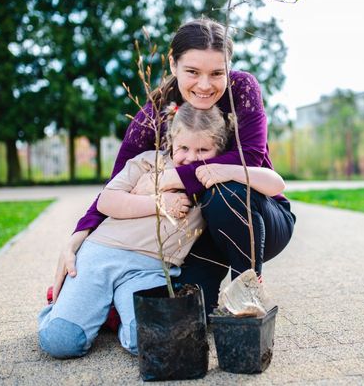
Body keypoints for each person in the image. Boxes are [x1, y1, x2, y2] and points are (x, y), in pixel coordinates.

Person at [51, 18, 296, 318]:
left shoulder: (241, 88)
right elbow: (118, 181)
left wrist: (170, 177)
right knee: (185, 314)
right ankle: (111, 303)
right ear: (172, 64)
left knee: (224, 192)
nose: (205, 85)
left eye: (216, 73)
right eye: (192, 71)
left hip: (254, 218)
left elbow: (251, 157)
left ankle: (247, 294)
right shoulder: (155, 112)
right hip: (195, 235)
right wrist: (79, 236)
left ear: (228, 67)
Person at [38, 102, 287, 358]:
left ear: (220, 149)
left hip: (151, 271)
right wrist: (160, 203)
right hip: (103, 254)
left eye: (203, 150)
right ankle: (60, 306)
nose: (191, 157)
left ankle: (111, 312)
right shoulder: (148, 162)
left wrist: (226, 169)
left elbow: (276, 184)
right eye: (183, 148)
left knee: (152, 343)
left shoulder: (211, 179)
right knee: (62, 342)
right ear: (170, 142)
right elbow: (107, 201)